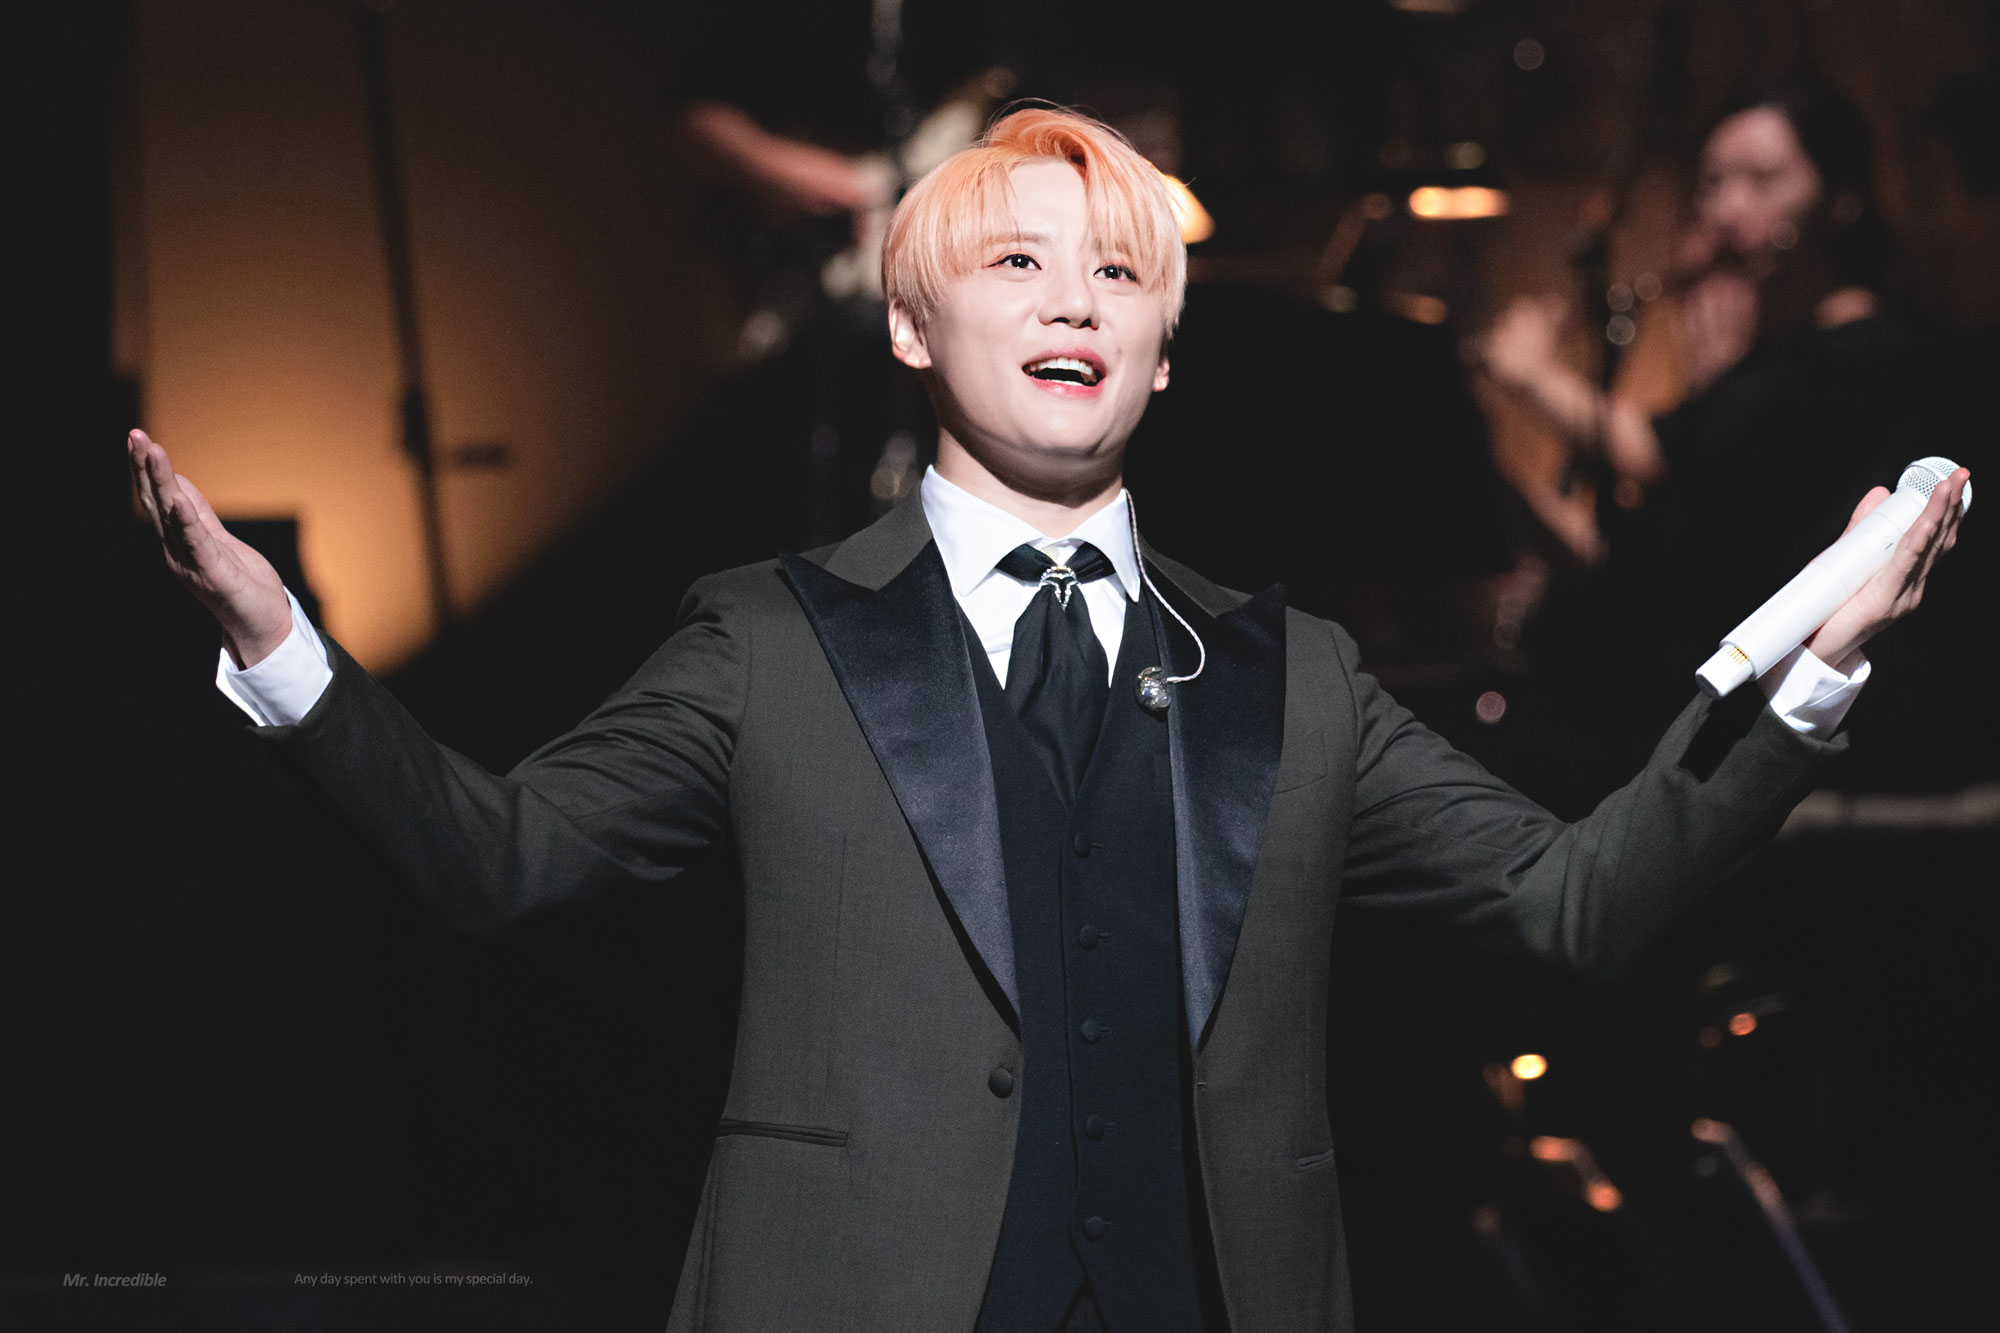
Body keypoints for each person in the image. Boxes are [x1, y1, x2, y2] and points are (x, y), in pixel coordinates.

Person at [128, 108, 1963, 1332]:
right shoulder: (769, 639)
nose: (1074, 296)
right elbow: (498, 859)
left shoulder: (1297, 674)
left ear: (1162, 353)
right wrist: (287, 650)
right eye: (1016, 263)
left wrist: (1813, 670)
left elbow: (1579, 903)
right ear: (913, 329)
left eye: (1119, 273)